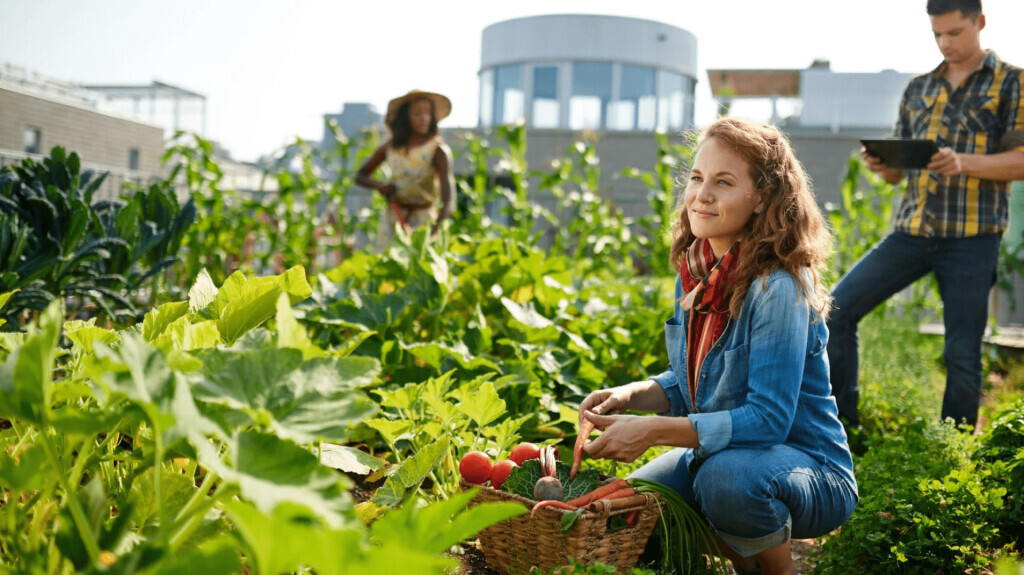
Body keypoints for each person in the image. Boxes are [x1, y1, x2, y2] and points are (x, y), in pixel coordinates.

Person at [578, 117, 858, 575]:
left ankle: (781, 569)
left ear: (762, 197)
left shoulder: (778, 287)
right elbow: (696, 377)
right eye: (696, 178)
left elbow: (768, 420)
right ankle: (744, 561)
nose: (701, 195)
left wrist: (651, 431)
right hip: (723, 457)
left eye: (723, 182)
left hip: (808, 469)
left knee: (725, 480)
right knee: (634, 511)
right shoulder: (698, 272)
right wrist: (633, 395)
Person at [827, 0, 1024, 431]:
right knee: (835, 311)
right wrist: (884, 165)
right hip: (912, 233)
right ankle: (843, 430)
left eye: (954, 33)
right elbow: (899, 175)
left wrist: (964, 162)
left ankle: (951, 449)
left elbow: (1021, 160)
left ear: (981, 23)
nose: (945, 43)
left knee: (962, 353)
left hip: (973, 237)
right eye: (937, 34)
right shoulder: (919, 87)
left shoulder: (1012, 82)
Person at [355, 89, 456, 246]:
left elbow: (448, 201)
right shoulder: (391, 148)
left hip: (424, 222)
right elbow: (360, 176)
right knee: (386, 265)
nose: (423, 118)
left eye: (428, 113)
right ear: (405, 117)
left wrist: (434, 230)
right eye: (417, 113)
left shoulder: (438, 150)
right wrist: (380, 186)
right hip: (393, 218)